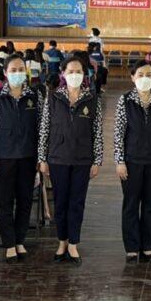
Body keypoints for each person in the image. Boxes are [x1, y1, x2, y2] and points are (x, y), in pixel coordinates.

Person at [38, 56, 103, 265]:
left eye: (79, 72)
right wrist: (42, 158)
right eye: (70, 71)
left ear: (85, 75)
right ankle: (62, 242)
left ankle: (73, 243)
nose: (75, 75)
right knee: (61, 202)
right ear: (63, 74)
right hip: (58, 158)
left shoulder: (92, 99)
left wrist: (97, 160)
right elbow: (44, 129)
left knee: (77, 203)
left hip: (83, 159)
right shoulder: (53, 98)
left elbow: (97, 132)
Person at [0, 54, 43, 263]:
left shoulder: (35, 96)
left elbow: (41, 129)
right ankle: (9, 243)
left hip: (28, 157)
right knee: (5, 202)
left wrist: (41, 157)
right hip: (4, 157)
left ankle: (20, 240)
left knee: (25, 201)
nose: (17, 73)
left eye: (20, 70)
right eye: (13, 70)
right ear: (5, 72)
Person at [114, 60, 151, 263]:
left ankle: (147, 246)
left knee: (150, 205)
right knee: (131, 204)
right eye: (140, 74)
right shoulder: (125, 101)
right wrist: (119, 161)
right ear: (133, 77)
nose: (145, 78)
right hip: (131, 161)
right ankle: (132, 247)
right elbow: (119, 133)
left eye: (148, 74)